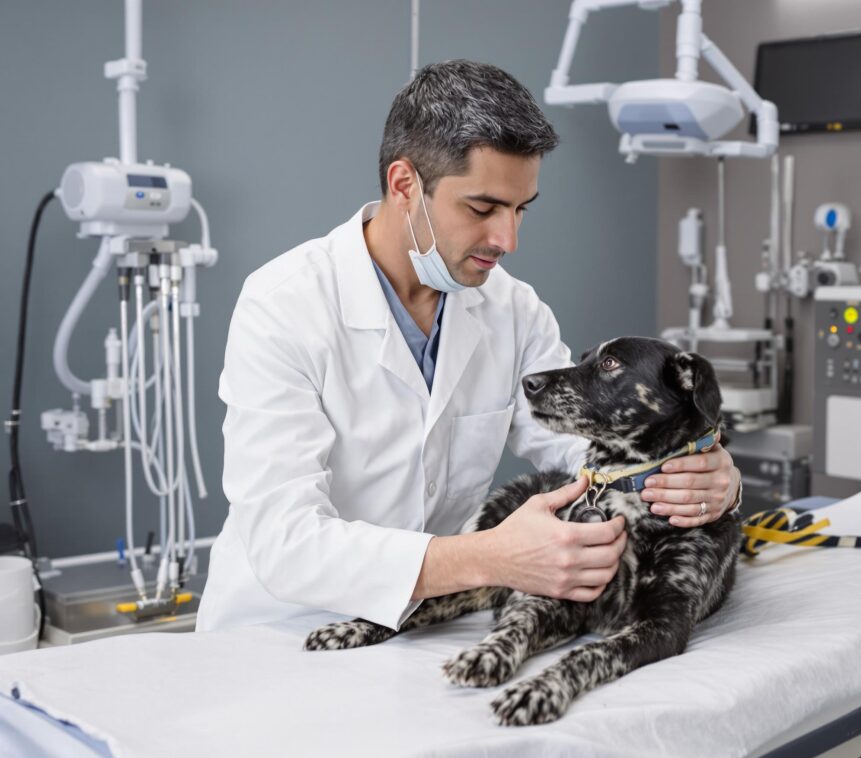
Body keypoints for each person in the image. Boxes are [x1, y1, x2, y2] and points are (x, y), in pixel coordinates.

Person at [196, 60, 741, 633]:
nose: (507, 239)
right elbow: (287, 541)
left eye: (520, 209)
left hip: (415, 631)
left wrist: (700, 475)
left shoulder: (513, 309)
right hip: (274, 633)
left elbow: (582, 452)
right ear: (404, 185)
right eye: (482, 209)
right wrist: (490, 557)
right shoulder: (282, 304)